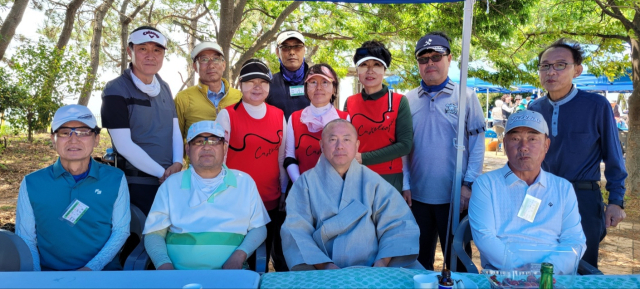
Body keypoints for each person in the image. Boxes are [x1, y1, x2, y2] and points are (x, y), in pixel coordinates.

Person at [528, 38, 627, 268]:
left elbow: (614, 156)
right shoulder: (535, 108)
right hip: (539, 195)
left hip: (582, 196)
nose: (551, 71)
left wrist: (616, 201)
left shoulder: (596, 105)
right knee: (536, 260)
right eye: (545, 65)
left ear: (577, 70)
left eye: (560, 65)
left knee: (581, 265)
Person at [281, 119, 420, 270]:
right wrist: (325, 265)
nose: (339, 146)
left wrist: (381, 263)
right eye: (332, 139)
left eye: (346, 139)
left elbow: (398, 224)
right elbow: (296, 230)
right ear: (321, 145)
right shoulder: (304, 184)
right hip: (321, 270)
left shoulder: (373, 182)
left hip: (372, 268)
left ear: (356, 146)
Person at [402, 32, 485, 270]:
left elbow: (477, 146)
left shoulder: (466, 97)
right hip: (417, 197)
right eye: (423, 58)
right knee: (418, 261)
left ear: (449, 58)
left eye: (436, 57)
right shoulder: (407, 100)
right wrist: (406, 183)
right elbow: (405, 149)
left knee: (457, 261)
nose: (430, 63)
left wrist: (468, 185)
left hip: (455, 196)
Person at [469, 110, 586, 274]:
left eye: (532, 139)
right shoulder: (486, 184)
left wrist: (546, 271)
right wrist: (523, 272)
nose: (523, 147)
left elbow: (575, 240)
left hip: (552, 277)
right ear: (504, 144)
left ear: (546, 145)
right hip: (504, 275)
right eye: (515, 139)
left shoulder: (563, 188)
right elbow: (484, 237)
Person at [16, 105, 130, 271]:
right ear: (53, 138)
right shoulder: (32, 183)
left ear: (96, 138)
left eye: (83, 132)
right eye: (64, 132)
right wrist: (37, 277)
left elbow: (121, 231)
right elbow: (26, 237)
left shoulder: (115, 178)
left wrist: (90, 269)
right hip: (50, 275)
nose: (73, 139)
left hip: (102, 274)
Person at [143, 121, 269, 270]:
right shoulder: (171, 184)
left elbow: (259, 228)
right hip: (179, 275)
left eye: (214, 141)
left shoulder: (244, 182)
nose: (206, 147)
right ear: (188, 150)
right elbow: (154, 233)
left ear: (225, 148)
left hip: (230, 274)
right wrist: (164, 265)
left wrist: (239, 256)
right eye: (198, 142)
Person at [101, 26, 183, 215]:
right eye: (142, 48)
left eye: (157, 50)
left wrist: (177, 162)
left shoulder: (164, 87)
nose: (150, 55)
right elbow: (123, 145)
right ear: (130, 51)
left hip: (169, 180)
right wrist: (162, 174)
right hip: (136, 183)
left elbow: (174, 129)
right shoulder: (115, 90)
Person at [216, 59, 288, 271]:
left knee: (261, 260)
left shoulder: (278, 115)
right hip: (234, 201)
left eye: (263, 82)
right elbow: (219, 161)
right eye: (250, 81)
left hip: (269, 199)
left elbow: (282, 158)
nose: (257, 87)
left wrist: (283, 192)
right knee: (234, 259)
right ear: (240, 85)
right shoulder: (227, 115)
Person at [344, 40, 413, 193]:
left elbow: (405, 145)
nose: (370, 71)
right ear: (357, 70)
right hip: (356, 177)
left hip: (389, 179)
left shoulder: (399, 101)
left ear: (384, 69)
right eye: (364, 65)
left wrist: (364, 158)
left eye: (376, 64)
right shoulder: (350, 102)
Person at [285, 64, 349, 183]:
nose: (318, 87)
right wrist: (301, 184)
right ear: (306, 88)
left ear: (334, 88)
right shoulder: (294, 118)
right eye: (313, 82)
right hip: (302, 187)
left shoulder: (344, 119)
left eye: (325, 82)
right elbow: (290, 156)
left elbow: (347, 159)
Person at [174, 42, 242, 142]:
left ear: (223, 65)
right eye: (204, 59)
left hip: (234, 157)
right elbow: (176, 138)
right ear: (195, 66)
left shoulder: (239, 96)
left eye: (216, 59)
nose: (211, 65)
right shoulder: (183, 98)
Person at [266, 30, 310, 120]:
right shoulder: (268, 84)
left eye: (297, 47)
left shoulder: (317, 81)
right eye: (285, 47)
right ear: (277, 52)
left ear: (304, 50)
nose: (292, 52)